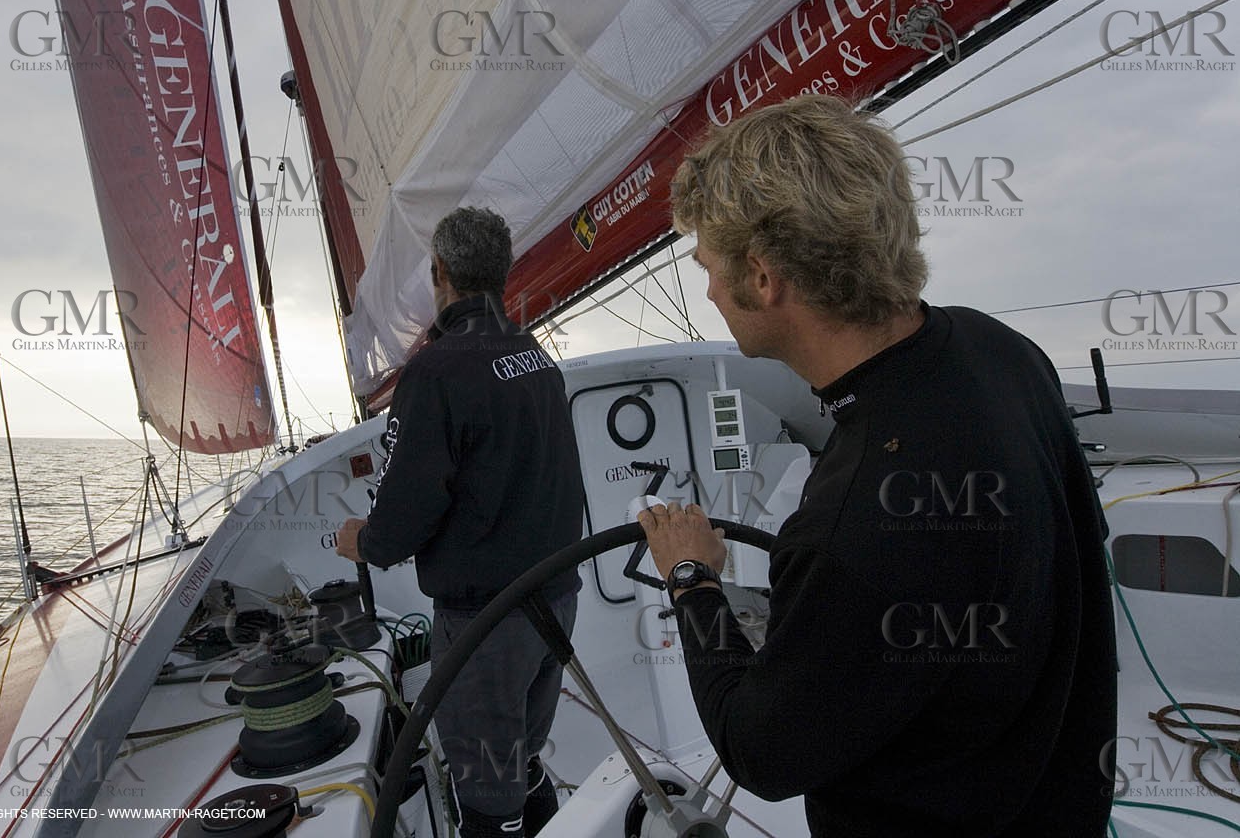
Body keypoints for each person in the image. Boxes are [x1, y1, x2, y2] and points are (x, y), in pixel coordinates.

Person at [639, 94, 1117, 835]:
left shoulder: (848, 529)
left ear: (764, 279)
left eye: (708, 265)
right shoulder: (1002, 352)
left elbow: (759, 752)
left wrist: (691, 578)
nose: (706, 289)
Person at [335, 207, 586, 838]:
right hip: (556, 603)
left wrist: (361, 543)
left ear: (439, 271)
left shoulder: (434, 373)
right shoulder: (533, 354)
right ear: (500, 275)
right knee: (521, 760)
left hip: (486, 626)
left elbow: (403, 516)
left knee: (487, 794)